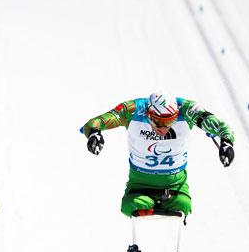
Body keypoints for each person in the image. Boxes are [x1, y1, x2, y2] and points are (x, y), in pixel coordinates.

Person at [81, 92, 234, 217]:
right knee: (129, 206)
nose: (162, 129)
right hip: (140, 184)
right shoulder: (133, 109)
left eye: (169, 122)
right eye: (157, 122)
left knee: (184, 205)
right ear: (148, 113)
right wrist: (94, 133)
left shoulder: (186, 109)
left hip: (175, 185)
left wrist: (226, 141)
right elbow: (97, 121)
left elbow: (217, 124)